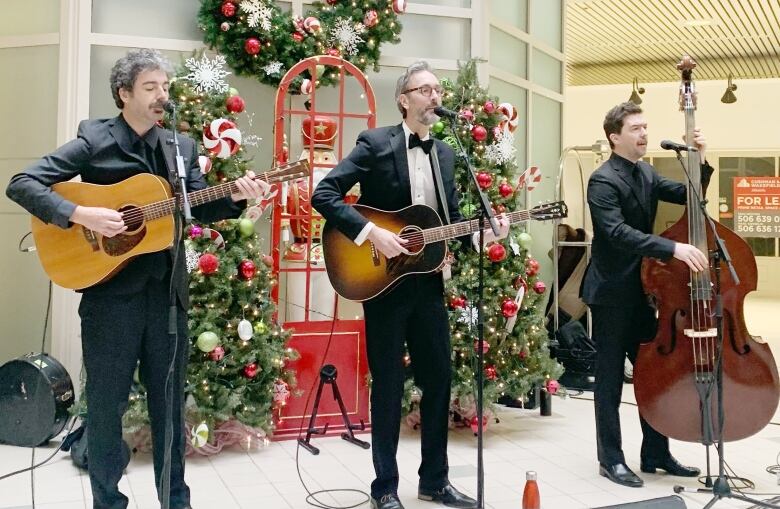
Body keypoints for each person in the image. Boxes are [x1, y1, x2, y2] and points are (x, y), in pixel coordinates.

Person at [6, 49, 270, 509]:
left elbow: (195, 207)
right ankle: (107, 501)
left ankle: (175, 500)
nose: (161, 95)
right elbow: (22, 182)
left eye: (164, 87)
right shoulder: (94, 140)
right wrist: (78, 212)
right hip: (110, 302)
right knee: (106, 410)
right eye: (150, 87)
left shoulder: (180, 146)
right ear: (124, 93)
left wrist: (238, 198)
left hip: (167, 299)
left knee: (169, 410)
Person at [311, 61, 507, 509]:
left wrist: (486, 231)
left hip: (429, 284)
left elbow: (452, 222)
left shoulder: (447, 153)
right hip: (382, 281)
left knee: (439, 379)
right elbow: (323, 194)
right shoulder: (375, 143)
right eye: (425, 90)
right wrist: (370, 232)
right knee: (390, 384)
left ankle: (434, 481)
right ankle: (385, 487)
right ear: (404, 98)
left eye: (438, 90)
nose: (435, 97)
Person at [581, 101, 710, 488]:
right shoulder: (602, 180)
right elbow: (616, 232)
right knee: (608, 383)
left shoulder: (647, 172)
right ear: (614, 137)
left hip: (643, 293)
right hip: (610, 294)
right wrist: (672, 249)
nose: (643, 134)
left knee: (653, 376)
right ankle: (611, 459)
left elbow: (690, 195)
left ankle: (655, 452)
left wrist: (699, 158)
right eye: (635, 128)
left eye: (645, 127)